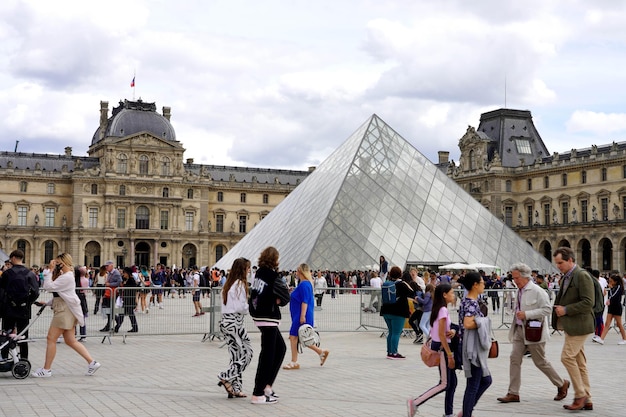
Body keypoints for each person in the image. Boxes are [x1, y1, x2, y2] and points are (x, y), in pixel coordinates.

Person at [496, 263, 569, 404]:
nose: (514, 280)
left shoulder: (537, 291)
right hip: (519, 330)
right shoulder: (519, 290)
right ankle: (513, 392)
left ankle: (561, 383)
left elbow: (547, 309)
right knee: (514, 359)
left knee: (540, 362)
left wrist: (527, 314)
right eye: (513, 277)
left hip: (534, 331)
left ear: (525, 276)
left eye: (516, 278)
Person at [32, 253, 101, 377]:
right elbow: (63, 295)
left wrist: (49, 271)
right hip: (65, 308)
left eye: (57, 263)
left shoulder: (67, 276)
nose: (56, 265)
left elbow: (48, 287)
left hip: (64, 311)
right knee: (70, 340)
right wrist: (47, 303)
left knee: (51, 338)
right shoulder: (66, 275)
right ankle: (92, 362)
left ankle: (46, 370)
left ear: (63, 263)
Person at [551, 247, 594, 411]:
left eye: (560, 262)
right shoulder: (567, 277)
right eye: (557, 263)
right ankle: (588, 398)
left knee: (567, 357)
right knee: (579, 362)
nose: (558, 266)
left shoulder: (581, 275)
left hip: (580, 325)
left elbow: (588, 302)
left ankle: (579, 394)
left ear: (570, 260)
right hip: (573, 325)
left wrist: (566, 310)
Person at [407, 283, 458, 417]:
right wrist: (450, 355)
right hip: (442, 349)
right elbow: (441, 334)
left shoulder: (440, 309)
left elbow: (441, 330)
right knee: (445, 383)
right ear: (444, 295)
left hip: (441, 347)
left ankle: (449, 413)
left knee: (452, 383)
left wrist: (452, 330)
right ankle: (416, 402)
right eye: (452, 293)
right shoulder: (442, 310)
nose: (454, 295)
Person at [248, 246, 290, 404]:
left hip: (259, 316)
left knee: (280, 349)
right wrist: (276, 300)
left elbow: (255, 294)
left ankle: (266, 387)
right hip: (269, 318)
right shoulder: (273, 276)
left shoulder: (258, 273)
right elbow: (286, 297)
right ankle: (258, 393)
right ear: (275, 259)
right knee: (267, 355)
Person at [457, 271, 492, 417]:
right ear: (475, 285)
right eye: (482, 282)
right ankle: (466, 413)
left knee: (485, 380)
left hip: (469, 346)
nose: (484, 284)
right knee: (473, 385)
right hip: (472, 349)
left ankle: (466, 411)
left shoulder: (467, 300)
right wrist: (484, 321)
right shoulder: (471, 302)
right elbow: (467, 323)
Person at [217, 258, 253, 398]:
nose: (249, 270)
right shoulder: (240, 284)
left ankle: (236, 388)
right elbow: (241, 307)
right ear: (242, 269)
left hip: (226, 322)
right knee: (248, 353)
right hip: (235, 323)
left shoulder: (228, 284)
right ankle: (226, 376)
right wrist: (249, 307)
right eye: (248, 268)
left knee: (236, 356)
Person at [283, 263, 330, 370]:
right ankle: (321, 352)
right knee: (301, 337)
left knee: (293, 337)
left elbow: (305, 301)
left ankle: (294, 362)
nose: (296, 272)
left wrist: (302, 316)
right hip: (300, 314)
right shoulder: (307, 284)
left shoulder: (304, 284)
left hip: (300, 315)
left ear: (301, 271)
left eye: (297, 270)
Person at [0, 249, 39, 360]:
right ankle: (24, 359)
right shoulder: (30, 274)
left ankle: (4, 358)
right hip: (24, 310)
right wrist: (28, 302)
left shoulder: (7, 273)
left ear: (13, 258)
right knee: (23, 335)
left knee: (6, 335)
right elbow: (36, 292)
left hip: (9, 309)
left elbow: (1, 290)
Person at [380, 267, 413, 359]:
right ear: (400, 274)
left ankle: (389, 352)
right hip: (398, 312)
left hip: (386, 311)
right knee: (396, 333)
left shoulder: (387, 284)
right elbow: (412, 292)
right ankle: (394, 353)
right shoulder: (402, 284)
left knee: (391, 332)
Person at [592, 274, 626, 345]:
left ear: (615, 281)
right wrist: (610, 289)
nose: (609, 282)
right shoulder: (612, 287)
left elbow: (614, 295)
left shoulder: (619, 287)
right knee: (607, 323)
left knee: (619, 324)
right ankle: (601, 339)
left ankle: (624, 338)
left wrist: (609, 297)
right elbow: (610, 295)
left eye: (611, 281)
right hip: (611, 307)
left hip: (616, 307)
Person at [114, 267, 138, 333]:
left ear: (127, 273)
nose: (123, 274)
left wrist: (124, 285)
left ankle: (117, 327)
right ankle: (134, 327)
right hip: (125, 299)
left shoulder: (131, 280)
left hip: (130, 299)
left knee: (126, 314)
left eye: (124, 272)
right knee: (126, 314)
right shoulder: (125, 279)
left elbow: (132, 289)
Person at [99, 261, 122, 332]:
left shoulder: (116, 273)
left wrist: (110, 284)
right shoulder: (109, 273)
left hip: (113, 293)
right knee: (108, 309)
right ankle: (115, 322)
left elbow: (119, 282)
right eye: (105, 266)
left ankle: (115, 322)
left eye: (107, 266)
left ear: (111, 266)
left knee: (110, 310)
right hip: (108, 293)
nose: (106, 267)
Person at [75, 266, 89, 342]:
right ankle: (83, 335)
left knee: (73, 318)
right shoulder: (86, 280)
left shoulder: (76, 280)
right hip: (83, 299)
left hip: (76, 299)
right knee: (82, 318)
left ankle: (73, 333)